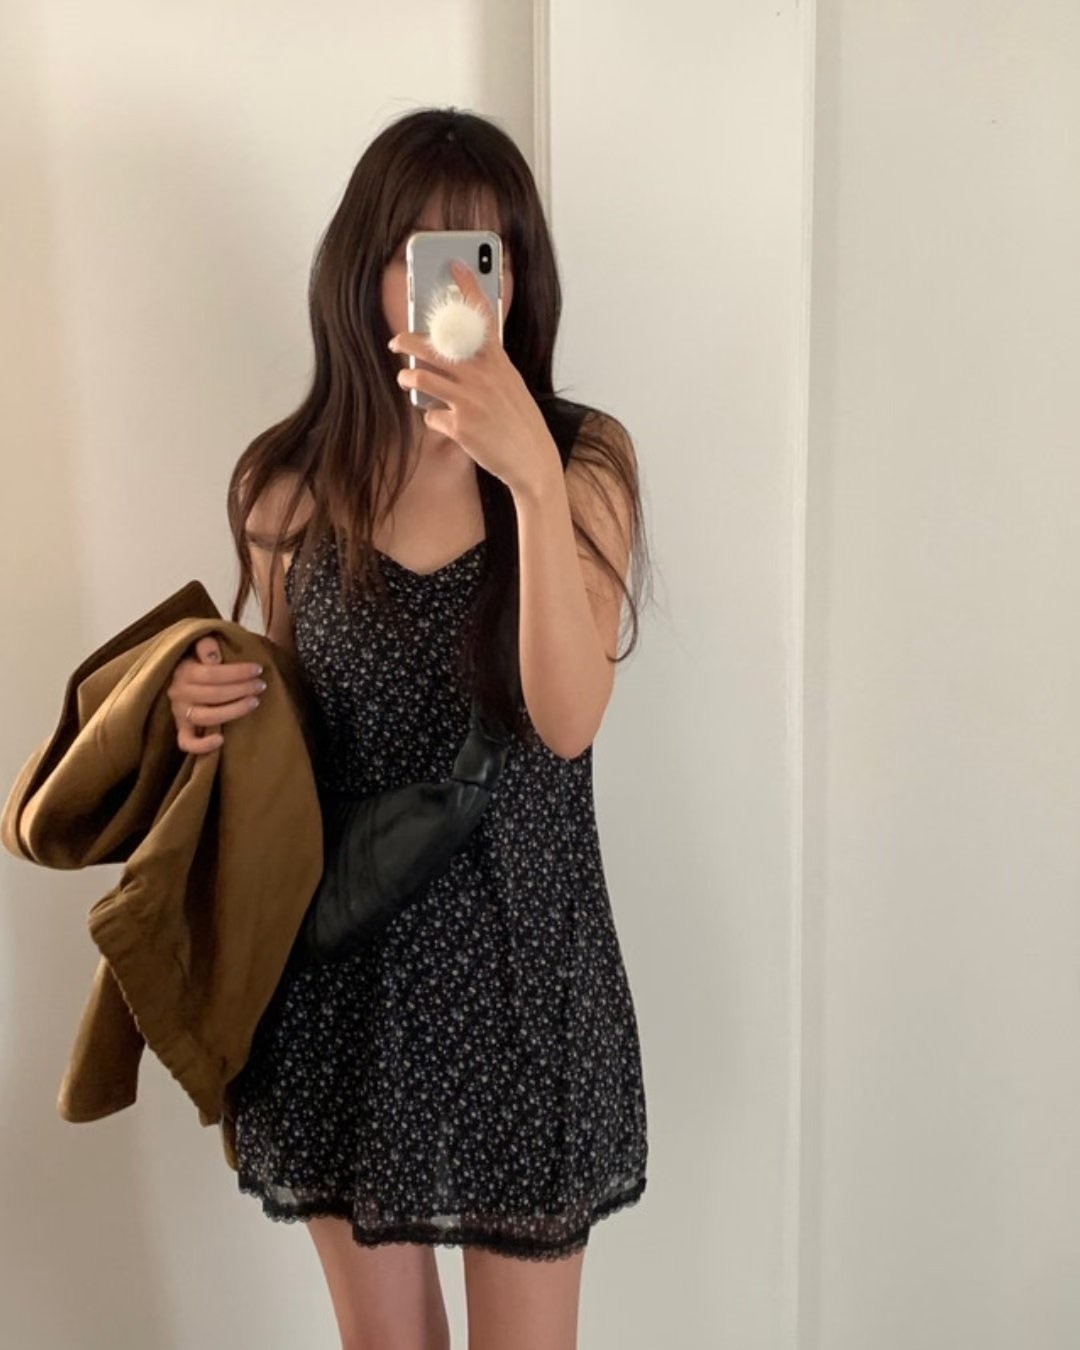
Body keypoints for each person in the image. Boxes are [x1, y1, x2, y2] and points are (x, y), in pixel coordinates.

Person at [166, 105, 651, 1350]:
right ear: (366, 270)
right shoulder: (287, 483)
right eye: (427, 253)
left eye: (491, 256)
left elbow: (566, 720)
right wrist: (201, 705)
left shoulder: (582, 463)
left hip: (526, 972)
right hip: (346, 976)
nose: (462, 287)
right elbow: (288, 747)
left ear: (519, 280)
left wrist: (527, 475)